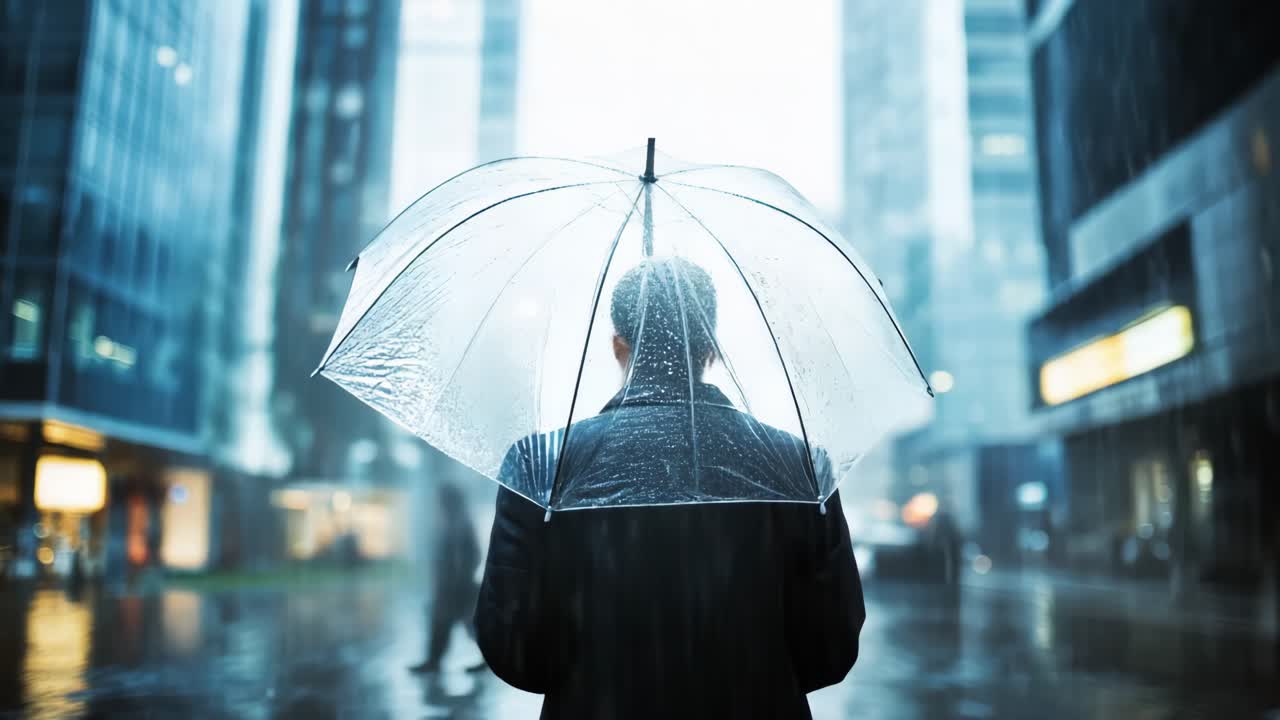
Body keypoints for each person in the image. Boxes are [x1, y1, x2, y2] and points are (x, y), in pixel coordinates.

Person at [475, 257, 865, 718]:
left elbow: (514, 650)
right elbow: (830, 650)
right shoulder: (797, 466)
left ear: (619, 347)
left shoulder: (544, 468)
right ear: (712, 350)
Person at [409, 480, 486, 674]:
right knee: (444, 623)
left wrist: (458, 576)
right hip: (450, 585)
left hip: (457, 586)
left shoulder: (460, 525)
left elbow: (472, 555)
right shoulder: (450, 522)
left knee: (459, 624)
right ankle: (434, 660)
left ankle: (436, 661)